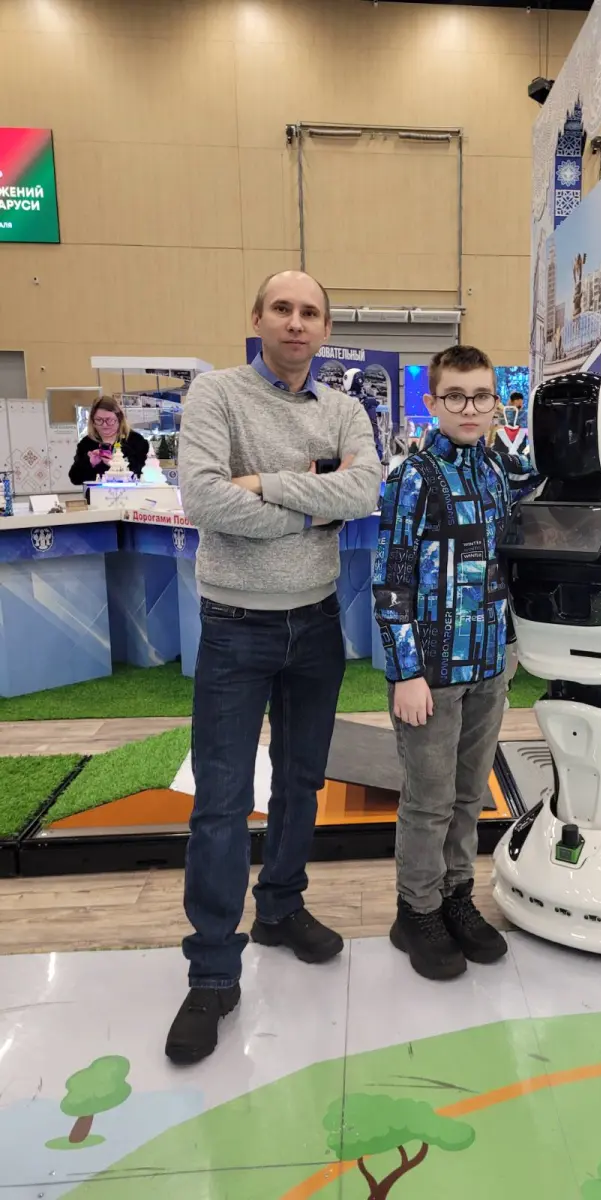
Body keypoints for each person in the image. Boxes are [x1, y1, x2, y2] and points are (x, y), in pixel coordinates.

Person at [372, 346, 601, 982]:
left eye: (481, 396)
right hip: (432, 674)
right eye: (456, 396)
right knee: (429, 800)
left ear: (497, 404)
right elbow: (389, 582)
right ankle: (416, 910)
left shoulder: (499, 466)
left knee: (470, 793)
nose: (469, 408)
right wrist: (406, 672)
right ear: (432, 402)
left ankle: (455, 896)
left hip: (490, 665)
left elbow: (551, 471)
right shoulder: (413, 479)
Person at [166, 270, 382, 1065]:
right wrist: (312, 503)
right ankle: (212, 972)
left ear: (325, 329)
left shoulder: (344, 409)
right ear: (257, 317)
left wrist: (266, 486)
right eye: (282, 309)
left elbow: (364, 490)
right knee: (222, 802)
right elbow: (204, 500)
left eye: (310, 312)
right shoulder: (217, 396)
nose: (296, 322)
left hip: (316, 624)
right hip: (234, 626)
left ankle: (282, 907)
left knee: (301, 781)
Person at [69, 397, 149, 486]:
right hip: (98, 494)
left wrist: (116, 465)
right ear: (93, 422)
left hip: (129, 493)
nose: (104, 425)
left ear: (119, 419)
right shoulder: (87, 443)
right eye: (99, 420)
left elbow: (144, 473)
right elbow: (75, 478)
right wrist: (90, 463)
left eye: (109, 420)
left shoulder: (135, 441)